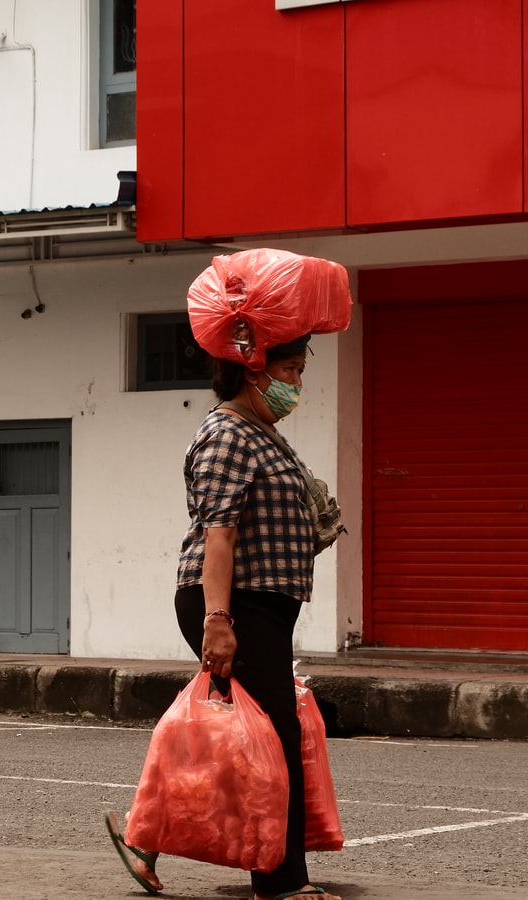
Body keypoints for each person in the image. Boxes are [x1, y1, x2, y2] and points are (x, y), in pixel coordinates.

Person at [105, 333, 342, 900]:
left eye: (299, 370)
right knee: (275, 734)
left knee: (233, 734)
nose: (296, 383)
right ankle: (280, 883)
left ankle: (144, 837)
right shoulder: (226, 435)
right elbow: (220, 533)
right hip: (233, 601)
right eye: (289, 369)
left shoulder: (264, 433)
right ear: (251, 371)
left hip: (263, 604)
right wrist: (218, 618)